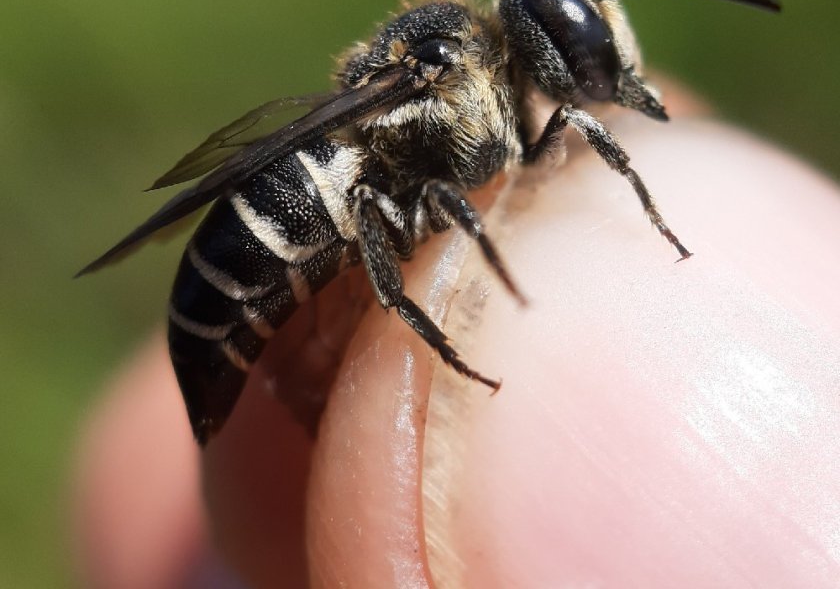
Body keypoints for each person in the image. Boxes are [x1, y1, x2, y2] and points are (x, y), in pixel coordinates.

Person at [73, 89, 840, 588]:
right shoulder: (459, 88)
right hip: (266, 246)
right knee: (388, 195)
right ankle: (430, 322)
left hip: (310, 220)